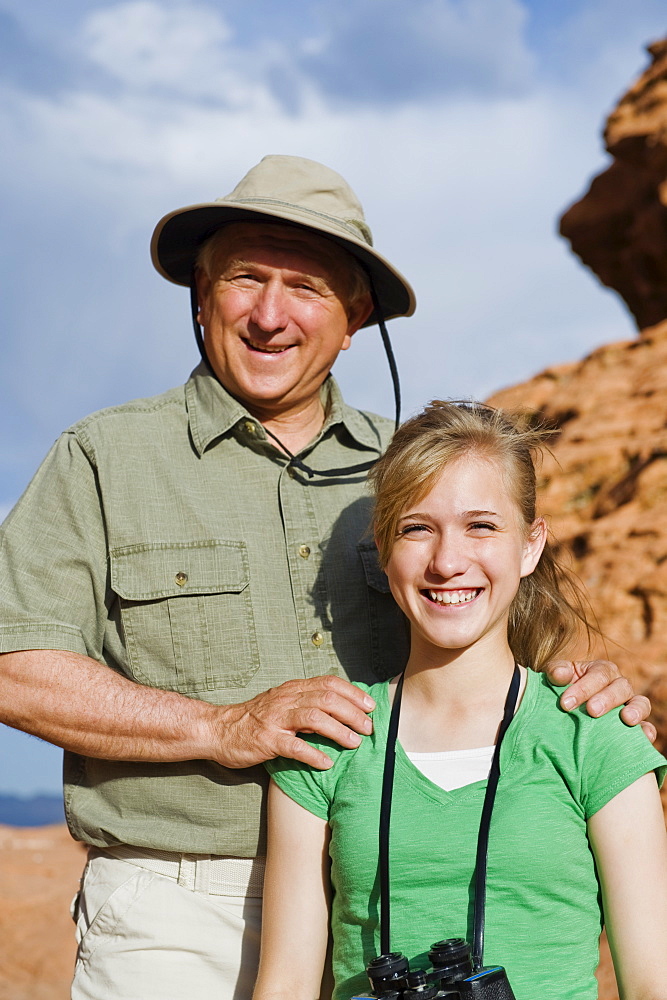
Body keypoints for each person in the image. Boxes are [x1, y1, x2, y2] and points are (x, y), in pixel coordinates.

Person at [0, 157, 653, 1000]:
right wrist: (221, 727)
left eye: (306, 288)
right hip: (181, 909)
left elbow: (497, 636)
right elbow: (13, 664)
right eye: (245, 278)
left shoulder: (413, 472)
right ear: (200, 296)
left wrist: (589, 685)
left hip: (394, 902)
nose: (271, 315)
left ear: (355, 317)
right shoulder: (104, 458)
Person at [258, 400, 667, 1000]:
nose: (448, 562)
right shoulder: (329, 744)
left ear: (530, 546)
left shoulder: (596, 735)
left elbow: (653, 981)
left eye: (482, 526)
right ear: (383, 550)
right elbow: (286, 984)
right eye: (417, 528)